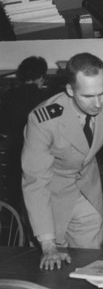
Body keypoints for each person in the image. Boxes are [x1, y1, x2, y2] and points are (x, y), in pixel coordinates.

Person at [21, 52, 103, 270]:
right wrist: (48, 244)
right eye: (89, 96)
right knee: (55, 269)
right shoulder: (44, 120)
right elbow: (36, 181)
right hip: (51, 196)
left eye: (102, 93)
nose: (98, 103)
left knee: (92, 264)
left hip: (86, 190)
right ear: (70, 90)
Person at [0, 56, 50, 209]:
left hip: (15, 154)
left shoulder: (7, 96)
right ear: (41, 77)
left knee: (17, 198)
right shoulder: (47, 98)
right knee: (39, 200)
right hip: (41, 156)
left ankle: (18, 231)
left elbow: (3, 130)